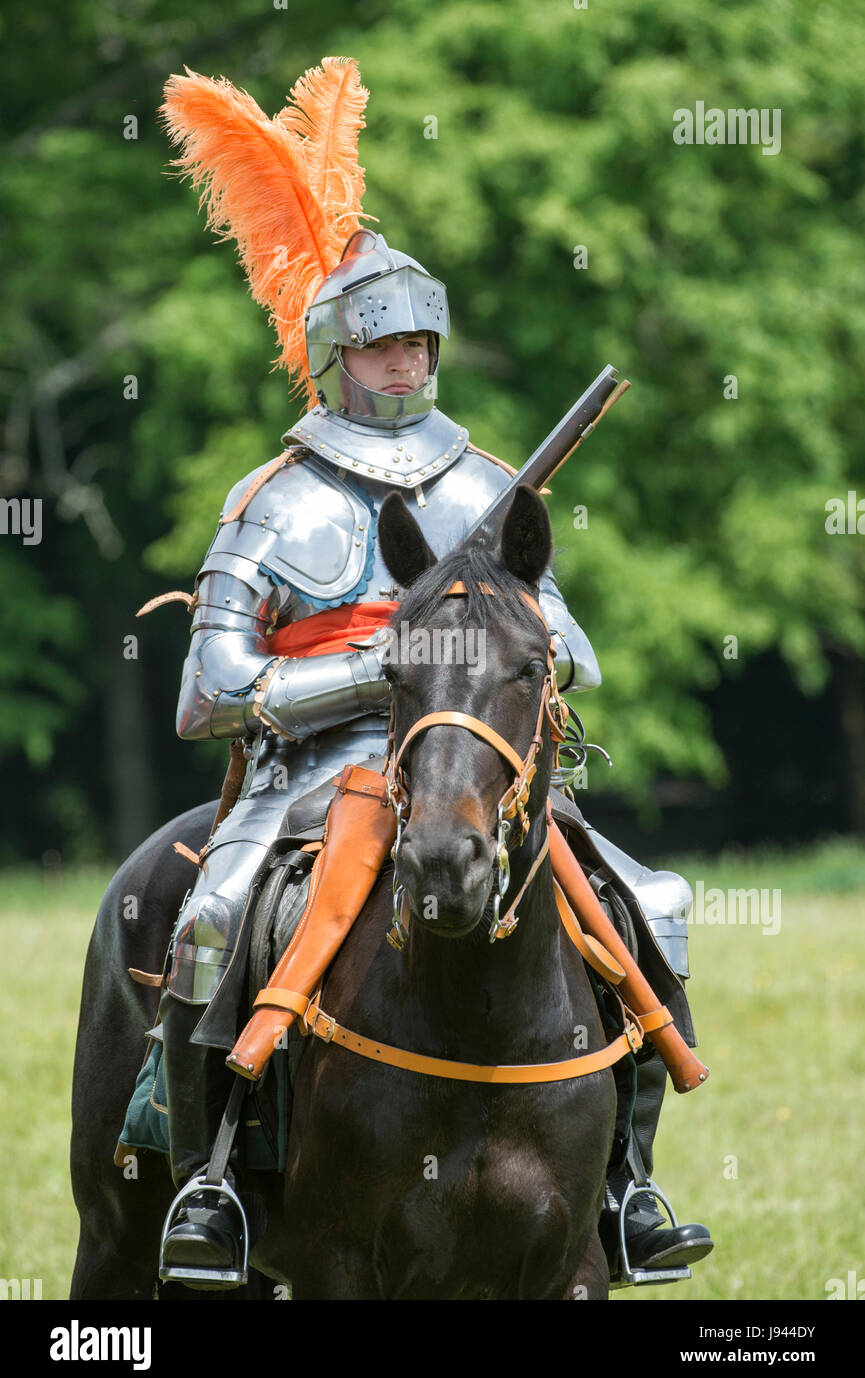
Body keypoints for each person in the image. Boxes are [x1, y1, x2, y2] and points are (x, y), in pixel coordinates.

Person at [125, 60, 712, 1290]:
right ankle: (215, 1181)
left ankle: (627, 1186)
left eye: (418, 344)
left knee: (646, 904)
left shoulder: (488, 484)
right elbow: (204, 693)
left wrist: (479, 658)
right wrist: (373, 677)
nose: (404, 363)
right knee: (216, 918)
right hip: (316, 774)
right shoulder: (273, 501)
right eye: (382, 345)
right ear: (337, 352)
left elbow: (571, 647)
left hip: (476, 760)